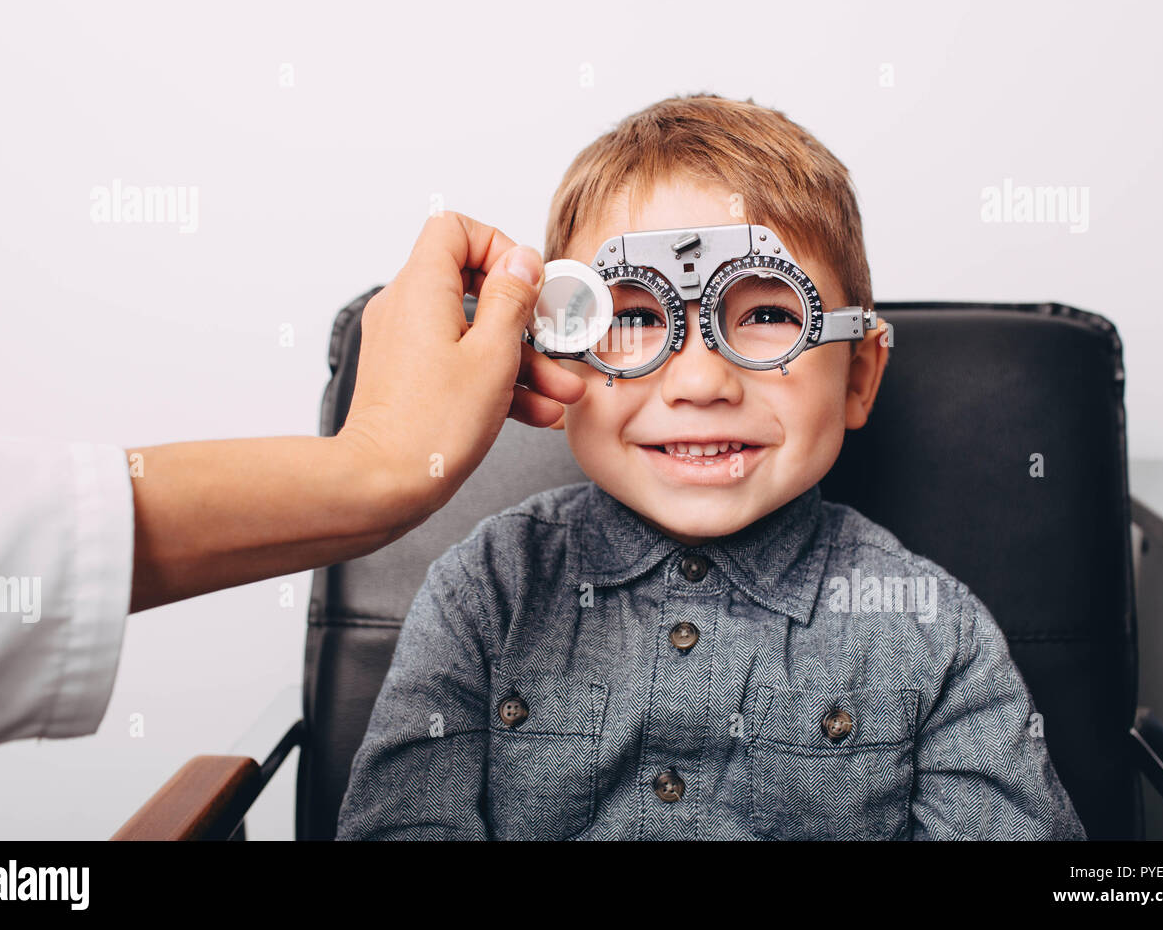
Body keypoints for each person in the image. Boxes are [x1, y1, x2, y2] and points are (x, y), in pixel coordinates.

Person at [335, 94, 1088, 840]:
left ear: (858, 376)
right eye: (633, 318)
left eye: (766, 315)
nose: (699, 383)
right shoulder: (485, 594)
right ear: (558, 361)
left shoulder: (931, 631)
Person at [0, 213, 586, 752]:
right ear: (554, 325)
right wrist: (376, 466)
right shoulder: (485, 581)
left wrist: (376, 467)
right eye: (638, 315)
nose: (693, 384)